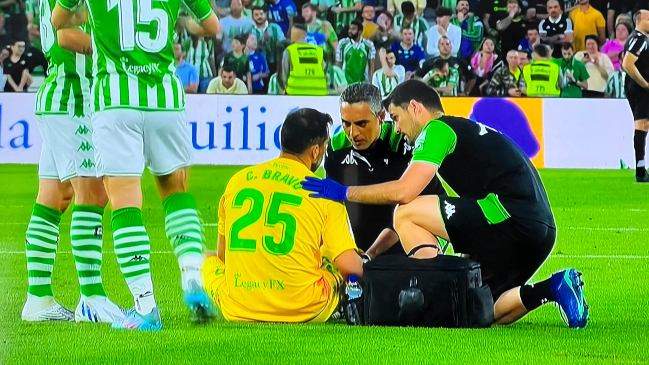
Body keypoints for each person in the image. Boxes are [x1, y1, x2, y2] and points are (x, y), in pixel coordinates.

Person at [302, 80, 589, 330]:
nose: (398, 129)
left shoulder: (437, 130)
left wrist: (344, 191)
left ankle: (431, 292)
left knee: (406, 213)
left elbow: (405, 191)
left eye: (397, 117)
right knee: (476, 310)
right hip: (538, 230)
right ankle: (554, 286)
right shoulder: (468, 130)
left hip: (506, 215)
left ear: (415, 107)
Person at [53, 0, 220, 330]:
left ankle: (146, 308)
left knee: (125, 200)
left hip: (115, 100)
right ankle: (190, 276)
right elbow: (213, 28)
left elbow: (60, 22)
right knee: (176, 191)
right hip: (165, 99)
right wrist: (186, 23)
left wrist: (91, 23)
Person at [201, 108, 363, 323]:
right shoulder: (324, 192)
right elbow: (349, 266)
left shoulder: (237, 181)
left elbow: (224, 258)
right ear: (315, 151)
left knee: (206, 259)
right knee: (333, 258)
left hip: (239, 308)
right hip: (305, 307)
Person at [21, 3, 124, 324]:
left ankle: (38, 298)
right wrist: (119, 52)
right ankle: (92, 297)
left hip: (61, 93)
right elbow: (66, 35)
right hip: (74, 98)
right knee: (93, 193)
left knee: (54, 197)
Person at [324, 84, 443, 254]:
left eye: (361, 123)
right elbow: (333, 208)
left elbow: (419, 207)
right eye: (346, 123)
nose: (353, 133)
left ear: (380, 116)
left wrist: (372, 254)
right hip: (357, 254)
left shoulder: (403, 142)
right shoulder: (336, 147)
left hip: (406, 252)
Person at [623, 10, 649, 182]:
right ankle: (640, 171)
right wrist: (645, 84)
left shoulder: (636, 38)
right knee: (642, 125)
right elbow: (627, 63)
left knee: (643, 125)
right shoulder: (639, 39)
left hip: (636, 87)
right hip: (641, 89)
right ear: (640, 21)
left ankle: (641, 169)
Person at [282, 16, 328, 95]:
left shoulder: (290, 50)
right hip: (319, 92)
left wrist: (285, 88)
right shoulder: (318, 50)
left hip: (295, 91)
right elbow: (325, 70)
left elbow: (285, 74)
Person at [337, 19, 376, 85]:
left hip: (363, 83)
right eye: (350, 29)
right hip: (346, 83)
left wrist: (372, 83)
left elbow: (371, 65)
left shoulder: (369, 45)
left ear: (360, 32)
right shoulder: (342, 43)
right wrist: (339, 82)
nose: (350, 31)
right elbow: (338, 63)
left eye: (353, 29)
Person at [251, 6, 285, 75]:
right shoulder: (250, 30)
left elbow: (283, 43)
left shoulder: (275, 27)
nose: (259, 17)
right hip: (258, 64)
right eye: (256, 15)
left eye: (261, 14)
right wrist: (261, 42)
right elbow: (250, 48)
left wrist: (274, 40)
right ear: (252, 17)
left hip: (275, 62)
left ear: (265, 14)